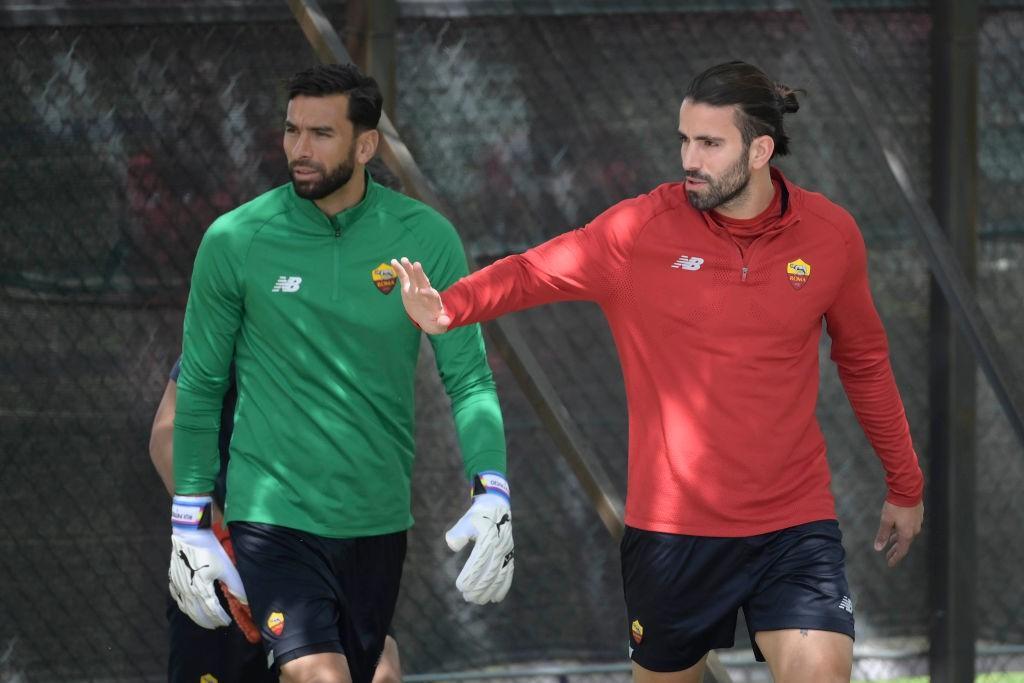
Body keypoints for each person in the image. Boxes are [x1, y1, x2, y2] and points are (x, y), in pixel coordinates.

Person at [391, 60, 924, 683]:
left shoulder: (831, 235)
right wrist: (448, 307)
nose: (688, 158)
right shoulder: (636, 230)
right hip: (672, 535)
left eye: (708, 142)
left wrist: (905, 483)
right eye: (684, 139)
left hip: (793, 524)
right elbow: (532, 271)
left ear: (760, 150)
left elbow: (864, 362)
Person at [168, 63, 513, 683]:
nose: (299, 149)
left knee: (371, 672)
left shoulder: (426, 238)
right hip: (272, 519)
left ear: (366, 145)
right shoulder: (235, 239)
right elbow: (198, 385)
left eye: (321, 134)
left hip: (378, 524)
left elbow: (470, 380)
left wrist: (492, 489)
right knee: (317, 675)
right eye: (291, 130)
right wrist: (189, 517)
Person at [151, 357, 402, 683]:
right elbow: (165, 434)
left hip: (332, 557)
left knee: (383, 674)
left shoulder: (362, 346)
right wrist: (221, 536)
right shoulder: (233, 324)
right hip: (226, 565)